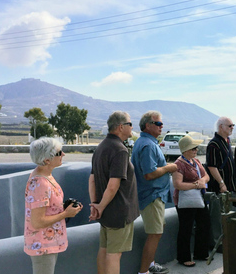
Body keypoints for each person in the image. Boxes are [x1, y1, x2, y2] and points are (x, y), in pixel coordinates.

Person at [89, 111, 140, 274]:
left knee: (104, 251)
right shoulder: (120, 150)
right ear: (120, 127)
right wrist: (101, 207)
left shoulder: (101, 147)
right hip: (118, 212)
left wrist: (96, 205)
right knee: (114, 255)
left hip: (106, 212)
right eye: (130, 124)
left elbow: (92, 179)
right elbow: (113, 185)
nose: (132, 127)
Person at [24, 137, 83, 274]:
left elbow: (47, 207)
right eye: (59, 152)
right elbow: (37, 222)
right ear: (47, 160)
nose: (63, 154)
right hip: (42, 245)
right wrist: (65, 214)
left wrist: (64, 207)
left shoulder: (46, 176)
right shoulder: (40, 183)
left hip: (48, 243)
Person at [132, 111, 178, 274]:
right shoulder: (147, 145)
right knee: (155, 234)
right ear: (148, 125)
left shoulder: (146, 142)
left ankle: (150, 264)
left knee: (157, 230)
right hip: (152, 195)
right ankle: (144, 271)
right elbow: (149, 174)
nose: (161, 126)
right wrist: (168, 168)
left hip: (155, 195)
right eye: (158, 123)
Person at [172, 135, 210, 267]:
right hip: (185, 201)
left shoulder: (196, 161)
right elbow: (178, 184)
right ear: (186, 150)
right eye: (193, 148)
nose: (196, 150)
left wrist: (202, 181)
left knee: (204, 224)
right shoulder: (179, 164)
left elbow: (206, 176)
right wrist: (196, 185)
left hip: (198, 198)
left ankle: (201, 252)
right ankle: (183, 257)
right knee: (185, 228)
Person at [205, 116, 236, 251]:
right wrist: (221, 183)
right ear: (221, 127)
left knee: (227, 215)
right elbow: (212, 166)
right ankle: (216, 243)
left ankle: (226, 241)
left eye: (233, 126)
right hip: (219, 188)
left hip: (230, 185)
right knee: (217, 217)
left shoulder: (227, 141)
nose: (232, 128)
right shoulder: (213, 144)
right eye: (229, 126)